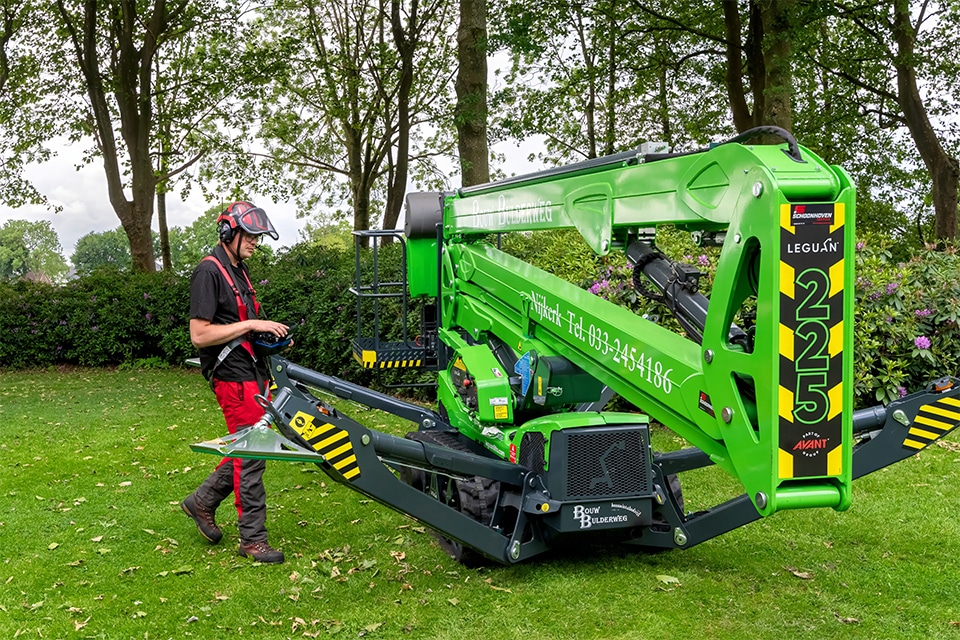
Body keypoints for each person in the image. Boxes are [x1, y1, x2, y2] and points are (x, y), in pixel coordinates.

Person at [180, 200, 290, 564]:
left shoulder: (238, 270)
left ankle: (202, 501)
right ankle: (252, 540)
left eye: (259, 237)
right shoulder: (208, 272)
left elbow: (238, 325)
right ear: (228, 231)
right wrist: (251, 325)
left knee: (250, 447)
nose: (256, 242)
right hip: (232, 378)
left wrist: (268, 336)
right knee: (253, 455)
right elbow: (200, 334)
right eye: (251, 235)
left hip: (253, 370)